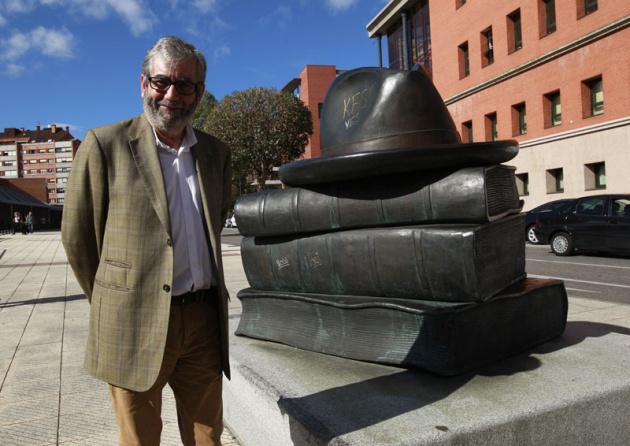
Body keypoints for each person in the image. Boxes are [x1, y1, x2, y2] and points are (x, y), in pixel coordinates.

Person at [61, 36, 232, 446]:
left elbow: (218, 218)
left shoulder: (215, 153)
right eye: (161, 82)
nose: (172, 94)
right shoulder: (104, 145)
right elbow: (79, 238)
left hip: (203, 322)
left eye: (184, 85)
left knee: (208, 436)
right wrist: (114, 296)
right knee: (139, 439)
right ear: (143, 84)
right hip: (134, 320)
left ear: (199, 92)